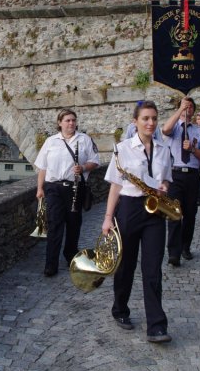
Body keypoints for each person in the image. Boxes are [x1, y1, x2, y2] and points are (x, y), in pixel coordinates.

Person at [103, 100, 172, 343]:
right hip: (129, 208)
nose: (151, 122)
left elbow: (166, 181)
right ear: (136, 122)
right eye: (145, 118)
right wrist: (108, 218)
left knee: (152, 268)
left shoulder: (164, 150)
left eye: (154, 118)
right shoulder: (122, 149)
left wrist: (164, 187)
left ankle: (156, 325)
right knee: (126, 265)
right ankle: (120, 309)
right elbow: (115, 185)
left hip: (154, 210)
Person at [35, 108, 100, 277]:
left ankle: (70, 254)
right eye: (67, 120)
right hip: (54, 187)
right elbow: (43, 167)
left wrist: (84, 167)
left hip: (75, 188)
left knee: (73, 224)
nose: (71, 123)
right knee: (55, 224)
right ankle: (51, 264)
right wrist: (40, 188)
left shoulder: (84, 140)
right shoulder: (50, 142)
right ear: (60, 123)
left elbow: (95, 161)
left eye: (73, 120)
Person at [161, 97, 200, 266]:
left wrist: (193, 149)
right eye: (185, 107)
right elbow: (165, 130)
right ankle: (173, 252)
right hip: (175, 174)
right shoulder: (175, 127)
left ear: (193, 110)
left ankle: (185, 247)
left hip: (192, 175)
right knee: (173, 214)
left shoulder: (199, 131)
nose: (187, 109)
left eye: (190, 107)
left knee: (190, 214)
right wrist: (179, 110)